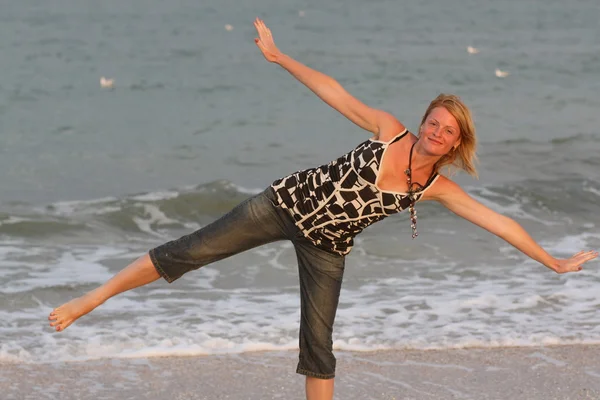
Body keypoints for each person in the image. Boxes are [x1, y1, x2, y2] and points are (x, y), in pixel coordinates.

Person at [48, 18, 598, 400]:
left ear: (455, 144)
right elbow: (334, 93)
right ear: (423, 120)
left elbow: (498, 221)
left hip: (328, 247)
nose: (435, 132)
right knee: (187, 251)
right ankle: (89, 299)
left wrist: (550, 262)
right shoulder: (388, 129)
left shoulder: (438, 188)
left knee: (319, 346)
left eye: (446, 131)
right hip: (283, 204)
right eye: (433, 121)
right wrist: (281, 57)